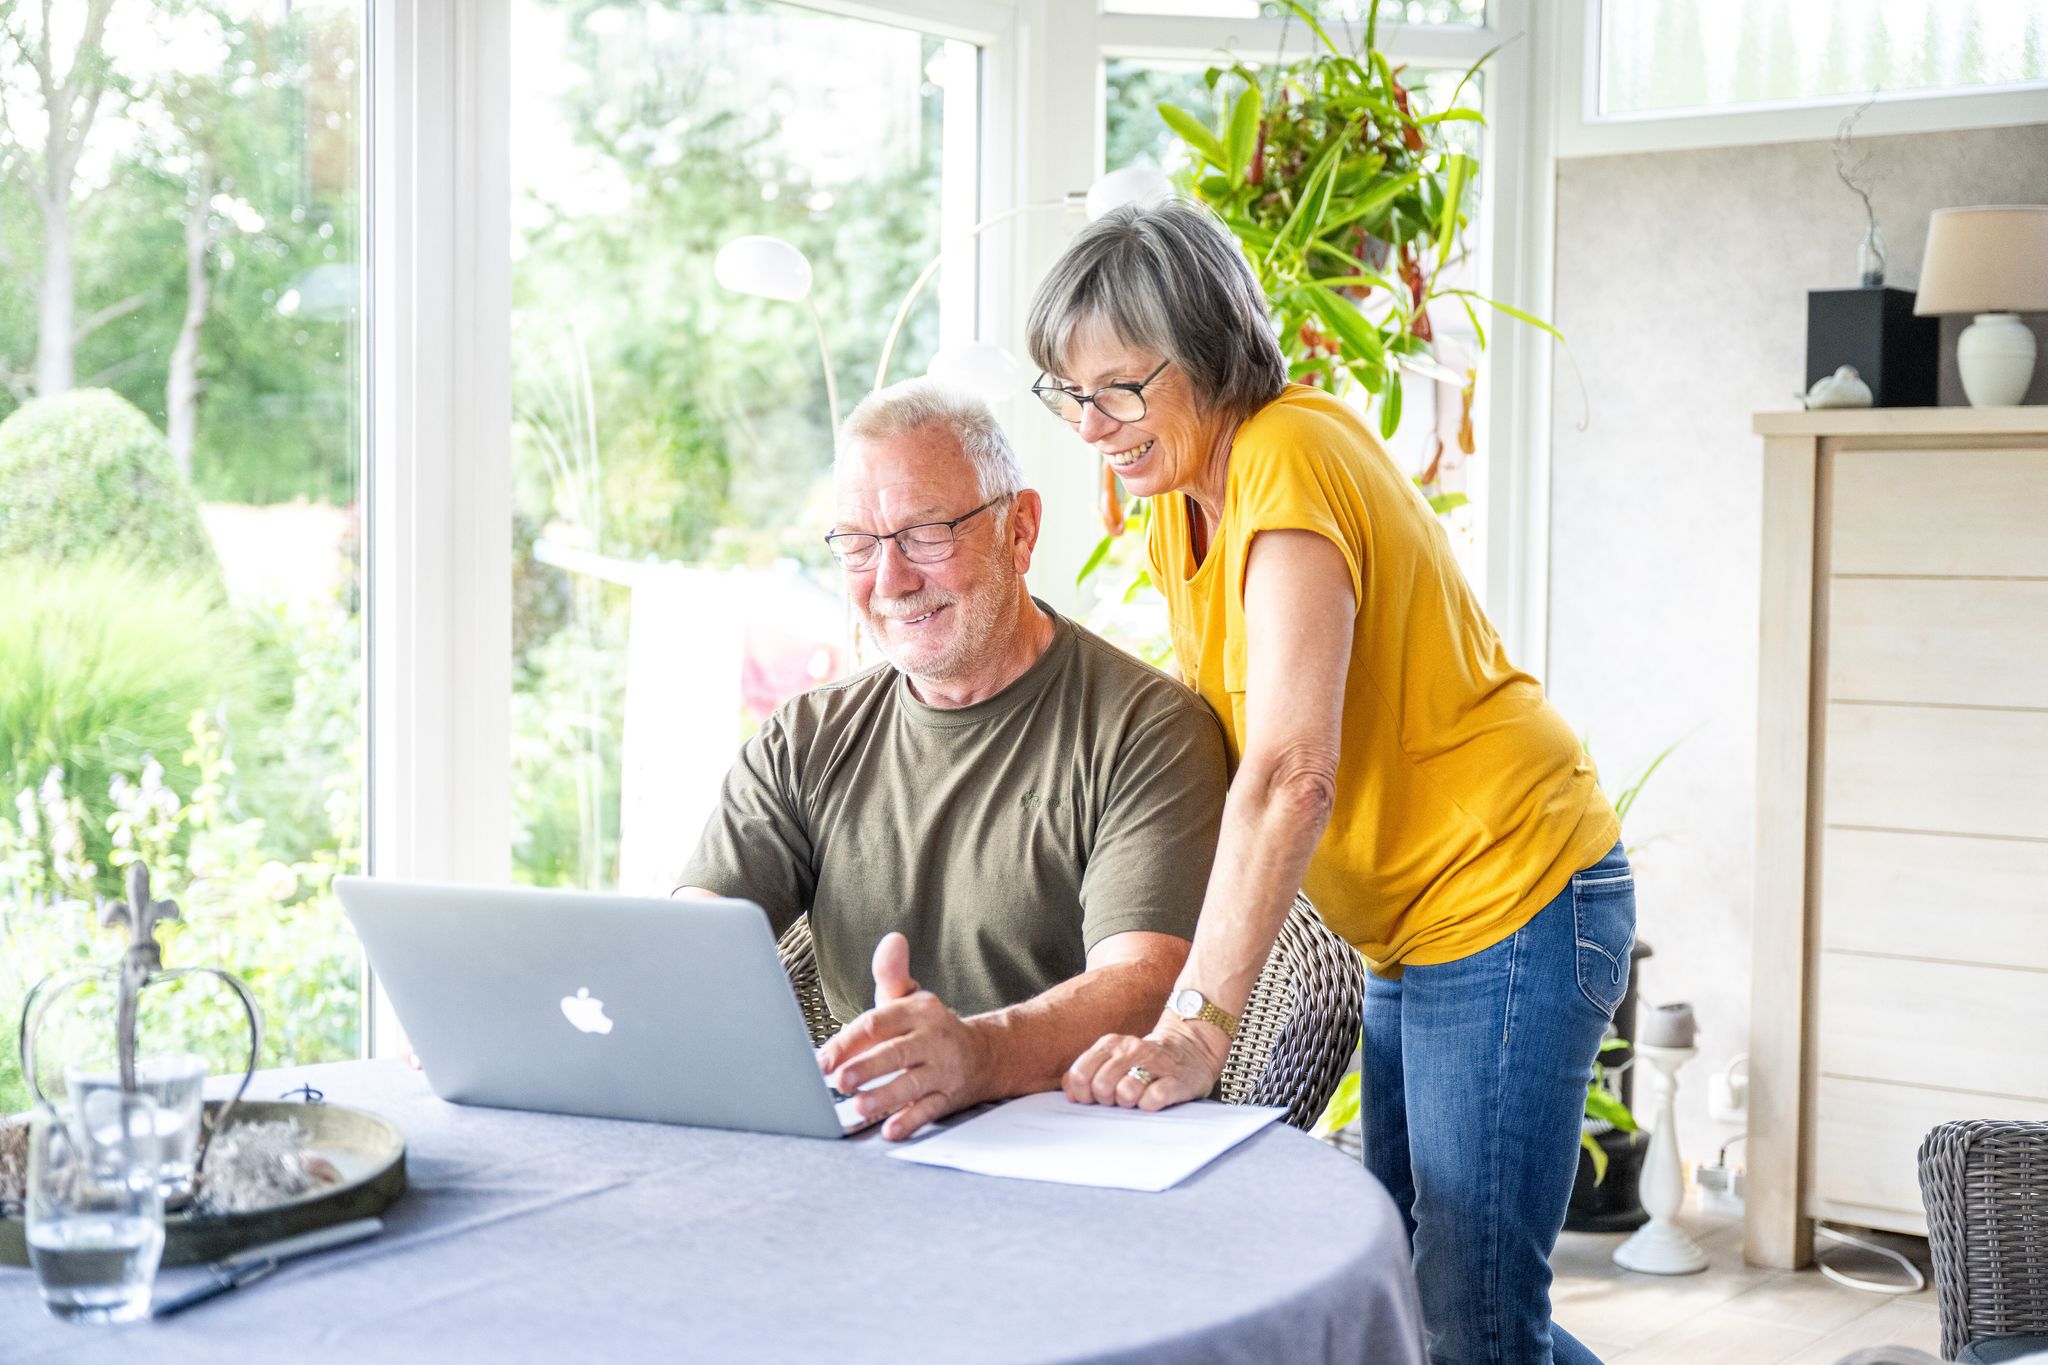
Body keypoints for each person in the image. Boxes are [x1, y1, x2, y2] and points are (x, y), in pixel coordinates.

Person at [1027, 199, 1631, 1365]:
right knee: (1407, 1297)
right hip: (1415, 930)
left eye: (1118, 387)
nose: (1092, 424)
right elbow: (1202, 743)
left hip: (1511, 899)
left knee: (1472, 1321)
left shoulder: (1288, 455)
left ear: (1203, 352)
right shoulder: (1185, 506)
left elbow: (1291, 769)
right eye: (1071, 392)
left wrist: (1200, 1025)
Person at [676, 379, 1228, 1142]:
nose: (891, 580)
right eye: (859, 545)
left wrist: (977, 1054)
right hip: (869, 1149)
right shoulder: (805, 738)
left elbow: (1144, 983)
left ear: (1019, 529)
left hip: (1081, 1152)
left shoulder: (1147, 728)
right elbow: (691, 948)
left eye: (926, 533)